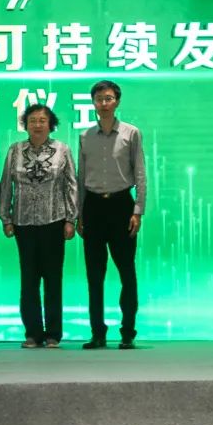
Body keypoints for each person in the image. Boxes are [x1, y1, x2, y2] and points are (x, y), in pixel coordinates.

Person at [0, 104, 77, 348]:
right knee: (29, 280)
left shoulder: (62, 149)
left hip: (54, 221)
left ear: (50, 124)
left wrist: (71, 218)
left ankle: (53, 333)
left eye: (42, 120)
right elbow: (6, 185)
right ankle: (32, 333)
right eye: (32, 120)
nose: (37, 124)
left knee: (53, 279)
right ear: (25, 124)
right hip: (23, 223)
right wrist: (6, 217)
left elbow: (71, 184)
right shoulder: (15, 150)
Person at [77, 80, 147, 350]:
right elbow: (81, 178)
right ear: (93, 103)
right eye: (99, 99)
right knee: (94, 276)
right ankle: (98, 333)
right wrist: (79, 213)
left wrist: (137, 210)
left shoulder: (131, 133)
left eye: (108, 98)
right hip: (93, 207)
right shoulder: (85, 136)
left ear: (117, 101)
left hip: (121, 206)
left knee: (127, 271)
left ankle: (128, 331)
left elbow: (140, 174)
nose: (103, 104)